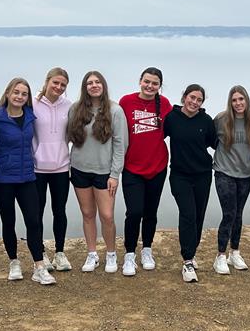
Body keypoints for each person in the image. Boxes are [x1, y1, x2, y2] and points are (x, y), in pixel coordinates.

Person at [0, 78, 55, 285]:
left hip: (27, 176)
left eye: (24, 94)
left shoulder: (30, 116)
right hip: (3, 178)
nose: (19, 96)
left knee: (33, 221)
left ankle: (39, 266)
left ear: (28, 98)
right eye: (16, 92)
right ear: (8, 93)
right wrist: (4, 154)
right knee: (8, 221)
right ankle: (14, 262)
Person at [67, 71, 127, 273]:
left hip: (104, 172)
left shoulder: (115, 110)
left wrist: (115, 174)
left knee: (107, 215)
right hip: (79, 169)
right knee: (87, 214)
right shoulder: (75, 109)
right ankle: (92, 253)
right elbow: (68, 137)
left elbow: (120, 145)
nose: (94, 85)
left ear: (103, 85)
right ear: (85, 87)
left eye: (97, 82)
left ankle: (111, 253)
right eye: (89, 83)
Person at [118, 67, 171, 276]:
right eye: (146, 81)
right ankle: (129, 254)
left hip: (157, 167)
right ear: (140, 81)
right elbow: (116, 129)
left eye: (154, 83)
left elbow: (175, 126)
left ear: (159, 86)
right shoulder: (126, 102)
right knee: (134, 212)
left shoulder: (164, 104)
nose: (150, 86)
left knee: (150, 212)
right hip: (132, 168)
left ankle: (147, 249)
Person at [164, 84, 217, 283]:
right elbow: (156, 137)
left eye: (199, 100)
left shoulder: (206, 120)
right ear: (184, 97)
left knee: (198, 216)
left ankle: (191, 252)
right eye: (192, 97)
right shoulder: (172, 118)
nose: (194, 102)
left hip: (203, 175)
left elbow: (215, 143)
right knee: (188, 214)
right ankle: (187, 260)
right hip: (180, 176)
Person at [212, 85, 250, 275]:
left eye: (241, 99)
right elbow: (210, 140)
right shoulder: (221, 119)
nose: (238, 103)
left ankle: (234, 252)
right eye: (234, 100)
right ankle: (220, 256)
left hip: (246, 175)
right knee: (229, 214)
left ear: (246, 100)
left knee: (238, 214)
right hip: (224, 173)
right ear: (230, 102)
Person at [33, 67, 72, 272]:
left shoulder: (69, 106)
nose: (58, 87)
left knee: (60, 211)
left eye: (63, 84)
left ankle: (60, 252)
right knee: (37, 212)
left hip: (61, 167)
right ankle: (40, 254)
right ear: (47, 81)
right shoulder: (32, 104)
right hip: (37, 168)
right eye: (55, 82)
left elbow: (73, 133)